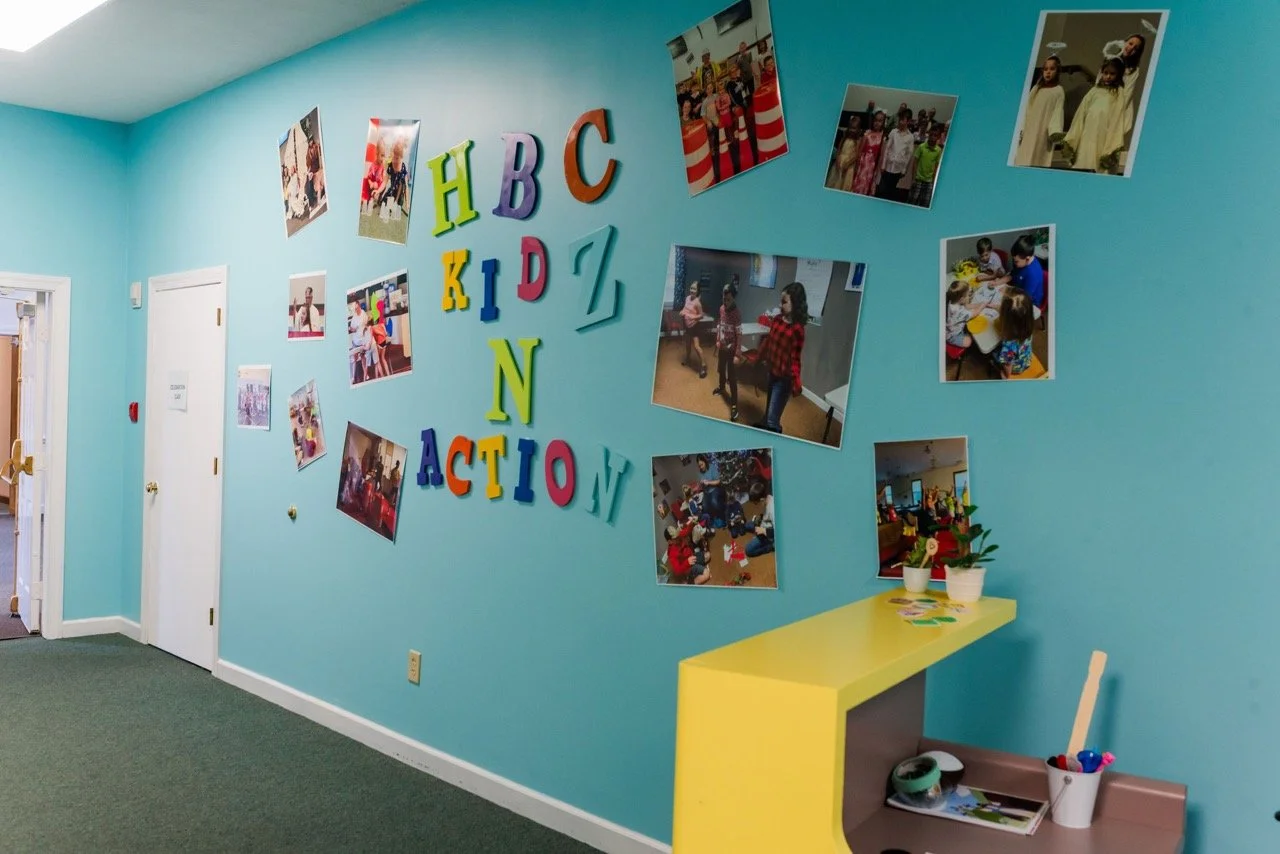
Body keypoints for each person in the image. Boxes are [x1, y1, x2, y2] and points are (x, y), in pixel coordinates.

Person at [752, 281, 809, 434]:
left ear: (795, 303)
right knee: (769, 406)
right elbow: (768, 342)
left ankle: (773, 432)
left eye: (784, 302)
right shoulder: (777, 319)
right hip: (772, 372)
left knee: (773, 418)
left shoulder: (797, 329)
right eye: (781, 301)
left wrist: (796, 383)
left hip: (784, 380)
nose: (780, 304)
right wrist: (758, 358)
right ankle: (764, 423)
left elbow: (795, 359)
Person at [1058, 57, 1126, 173]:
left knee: (1098, 163)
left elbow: (1118, 118)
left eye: (1112, 74)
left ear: (1118, 75)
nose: (1108, 76)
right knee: (1085, 158)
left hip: (1104, 134)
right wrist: (1074, 136)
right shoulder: (1094, 91)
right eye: (1106, 73)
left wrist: (1111, 145)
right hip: (1087, 134)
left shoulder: (1118, 92)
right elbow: (1081, 114)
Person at [1014, 55, 1065, 167]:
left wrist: (1055, 131)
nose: (1048, 72)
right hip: (1029, 130)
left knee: (1037, 157)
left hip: (1043, 133)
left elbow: (1058, 112)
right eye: (1045, 69)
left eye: (1052, 69)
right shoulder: (1036, 88)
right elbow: (1027, 108)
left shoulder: (1058, 91)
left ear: (1058, 71)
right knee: (1023, 156)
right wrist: (1022, 128)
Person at [713, 281, 742, 422]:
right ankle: (721, 387)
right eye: (723, 298)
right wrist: (717, 339)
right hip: (722, 347)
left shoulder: (736, 313)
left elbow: (739, 334)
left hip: (732, 350)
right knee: (720, 368)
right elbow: (720, 325)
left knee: (732, 377)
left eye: (728, 299)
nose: (725, 302)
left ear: (734, 298)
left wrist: (737, 353)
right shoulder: (721, 309)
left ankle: (735, 405)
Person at [994, 287, 1036, 378]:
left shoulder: (1009, 344)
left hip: (1016, 367)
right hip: (1026, 358)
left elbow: (1007, 365)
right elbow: (1014, 313)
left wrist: (1006, 376)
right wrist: (996, 307)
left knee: (993, 354)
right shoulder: (1027, 326)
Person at [877, 108, 915, 202]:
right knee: (881, 190)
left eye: (903, 119)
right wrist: (883, 165)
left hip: (898, 169)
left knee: (890, 191)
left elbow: (908, 155)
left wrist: (904, 170)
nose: (900, 122)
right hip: (887, 167)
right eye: (900, 119)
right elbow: (887, 149)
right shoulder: (894, 132)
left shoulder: (910, 137)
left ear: (908, 121)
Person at [1001, 234, 1045, 308]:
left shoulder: (1033, 274)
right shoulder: (1021, 262)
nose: (1014, 263)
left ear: (1027, 259)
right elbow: (1012, 274)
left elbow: (1024, 298)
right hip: (1017, 291)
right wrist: (997, 282)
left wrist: (1008, 291)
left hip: (1029, 303)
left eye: (1016, 261)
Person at [908, 124, 945, 207]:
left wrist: (933, 181)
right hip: (918, 179)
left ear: (938, 137)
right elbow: (915, 162)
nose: (933, 137)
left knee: (925, 203)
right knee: (912, 201)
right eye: (931, 135)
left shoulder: (938, 150)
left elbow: (936, 166)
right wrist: (913, 178)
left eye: (935, 135)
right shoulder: (921, 147)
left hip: (929, 181)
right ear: (929, 135)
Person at [851, 111, 886, 196]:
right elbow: (860, 150)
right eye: (875, 120)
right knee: (858, 184)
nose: (877, 123)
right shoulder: (867, 133)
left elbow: (881, 155)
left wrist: (877, 171)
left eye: (880, 121)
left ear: (883, 123)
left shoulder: (882, 137)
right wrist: (856, 166)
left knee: (867, 185)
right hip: (862, 164)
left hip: (872, 166)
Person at [680, 281, 707, 378]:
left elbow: (701, 315)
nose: (692, 290)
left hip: (695, 327)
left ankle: (703, 366)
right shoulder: (687, 298)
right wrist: (682, 311)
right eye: (691, 288)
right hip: (687, 326)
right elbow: (685, 308)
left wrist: (692, 317)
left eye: (694, 289)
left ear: (697, 291)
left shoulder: (697, 303)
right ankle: (688, 359)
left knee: (696, 347)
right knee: (687, 345)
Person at [744, 490, 775, 558]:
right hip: (764, 524)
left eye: (756, 503)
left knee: (748, 551)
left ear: (761, 499)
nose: (757, 505)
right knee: (745, 526)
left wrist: (763, 531)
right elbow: (767, 517)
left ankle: (771, 547)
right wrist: (761, 519)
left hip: (769, 535)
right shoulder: (769, 497)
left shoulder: (772, 511)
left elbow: (778, 533)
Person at [945, 280, 975, 348]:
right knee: (968, 342)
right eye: (968, 295)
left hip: (952, 327)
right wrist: (983, 305)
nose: (969, 297)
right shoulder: (959, 311)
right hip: (951, 335)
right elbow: (974, 313)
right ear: (961, 299)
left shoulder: (951, 300)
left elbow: (967, 306)